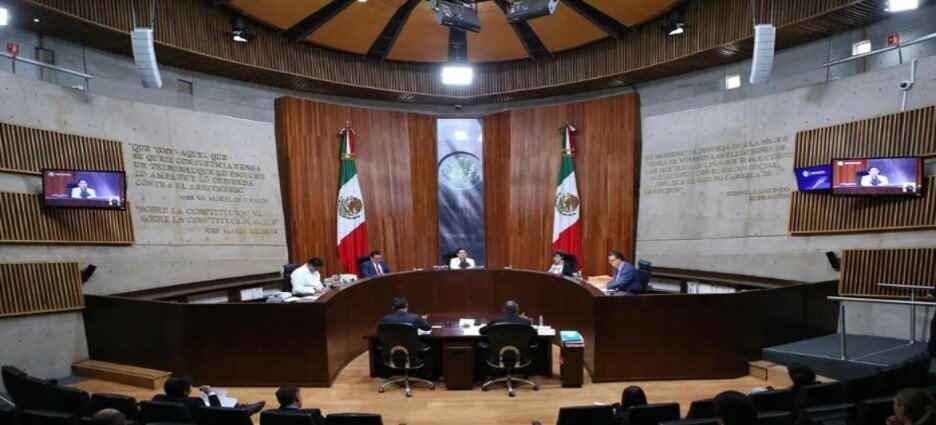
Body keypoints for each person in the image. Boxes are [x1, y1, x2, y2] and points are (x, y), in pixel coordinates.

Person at [153, 375, 264, 414]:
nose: (192, 388)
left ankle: (241, 407)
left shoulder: (157, 399)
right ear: (185, 392)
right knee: (224, 412)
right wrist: (210, 393)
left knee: (233, 405)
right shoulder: (194, 402)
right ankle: (244, 411)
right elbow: (216, 411)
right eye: (190, 386)